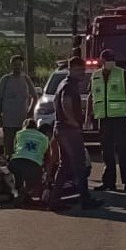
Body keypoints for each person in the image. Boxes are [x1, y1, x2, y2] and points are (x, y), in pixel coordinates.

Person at [46, 56, 101, 212]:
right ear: (71, 69)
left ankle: (54, 201)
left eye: (83, 69)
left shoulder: (63, 84)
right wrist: (73, 122)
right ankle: (86, 201)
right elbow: (66, 103)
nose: (82, 73)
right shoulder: (69, 85)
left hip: (60, 129)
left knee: (65, 165)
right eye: (79, 70)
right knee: (80, 165)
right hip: (69, 130)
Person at [90, 49, 126, 192]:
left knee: (124, 152)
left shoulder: (122, 73)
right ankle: (109, 182)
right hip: (103, 119)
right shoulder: (95, 76)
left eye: (112, 59)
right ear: (102, 61)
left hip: (120, 119)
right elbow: (92, 96)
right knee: (107, 153)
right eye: (108, 59)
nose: (110, 62)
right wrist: (88, 116)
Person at [0, 55, 37, 157]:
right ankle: (9, 166)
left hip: (22, 120)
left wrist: (30, 111)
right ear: (11, 66)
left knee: (22, 147)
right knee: (9, 148)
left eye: (19, 65)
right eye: (15, 65)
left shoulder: (26, 79)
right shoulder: (5, 79)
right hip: (8, 120)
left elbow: (35, 97)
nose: (17, 67)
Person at [9, 119, 50, 205]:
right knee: (33, 176)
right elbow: (47, 156)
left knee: (17, 172)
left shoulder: (19, 134)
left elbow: (14, 149)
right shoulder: (44, 138)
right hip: (34, 165)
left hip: (16, 162)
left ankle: (18, 191)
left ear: (24, 127)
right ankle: (26, 192)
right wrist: (45, 171)